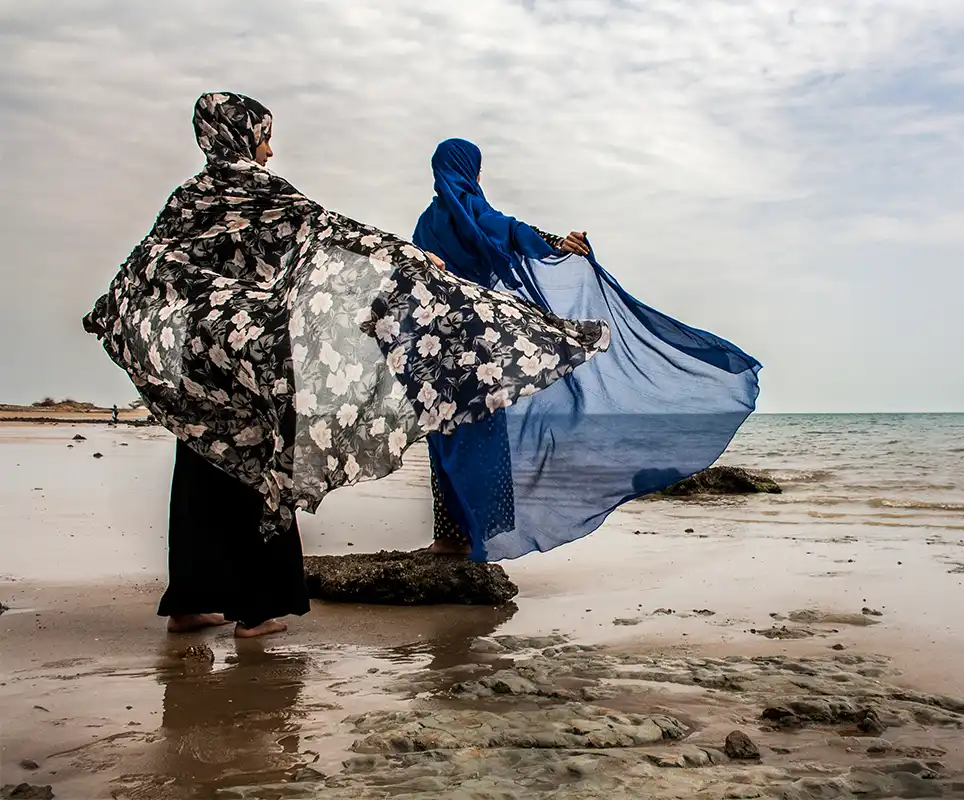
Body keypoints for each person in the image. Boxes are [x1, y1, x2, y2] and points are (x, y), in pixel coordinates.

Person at [83, 95, 610, 636]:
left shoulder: (189, 198)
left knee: (200, 461)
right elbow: (328, 231)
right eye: (263, 135)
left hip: (196, 362)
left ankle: (190, 602)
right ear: (242, 135)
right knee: (263, 467)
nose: (268, 149)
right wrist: (408, 258)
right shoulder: (255, 187)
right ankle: (258, 610)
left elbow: (147, 263)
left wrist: (110, 312)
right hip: (249, 358)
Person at [412, 138, 761, 562]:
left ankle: (449, 538)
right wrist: (557, 242)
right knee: (481, 436)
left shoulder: (425, 225)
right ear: (472, 171)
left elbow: (420, 272)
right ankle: (473, 536)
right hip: (480, 349)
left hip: (441, 349)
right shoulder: (471, 209)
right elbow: (510, 229)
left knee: (445, 436)